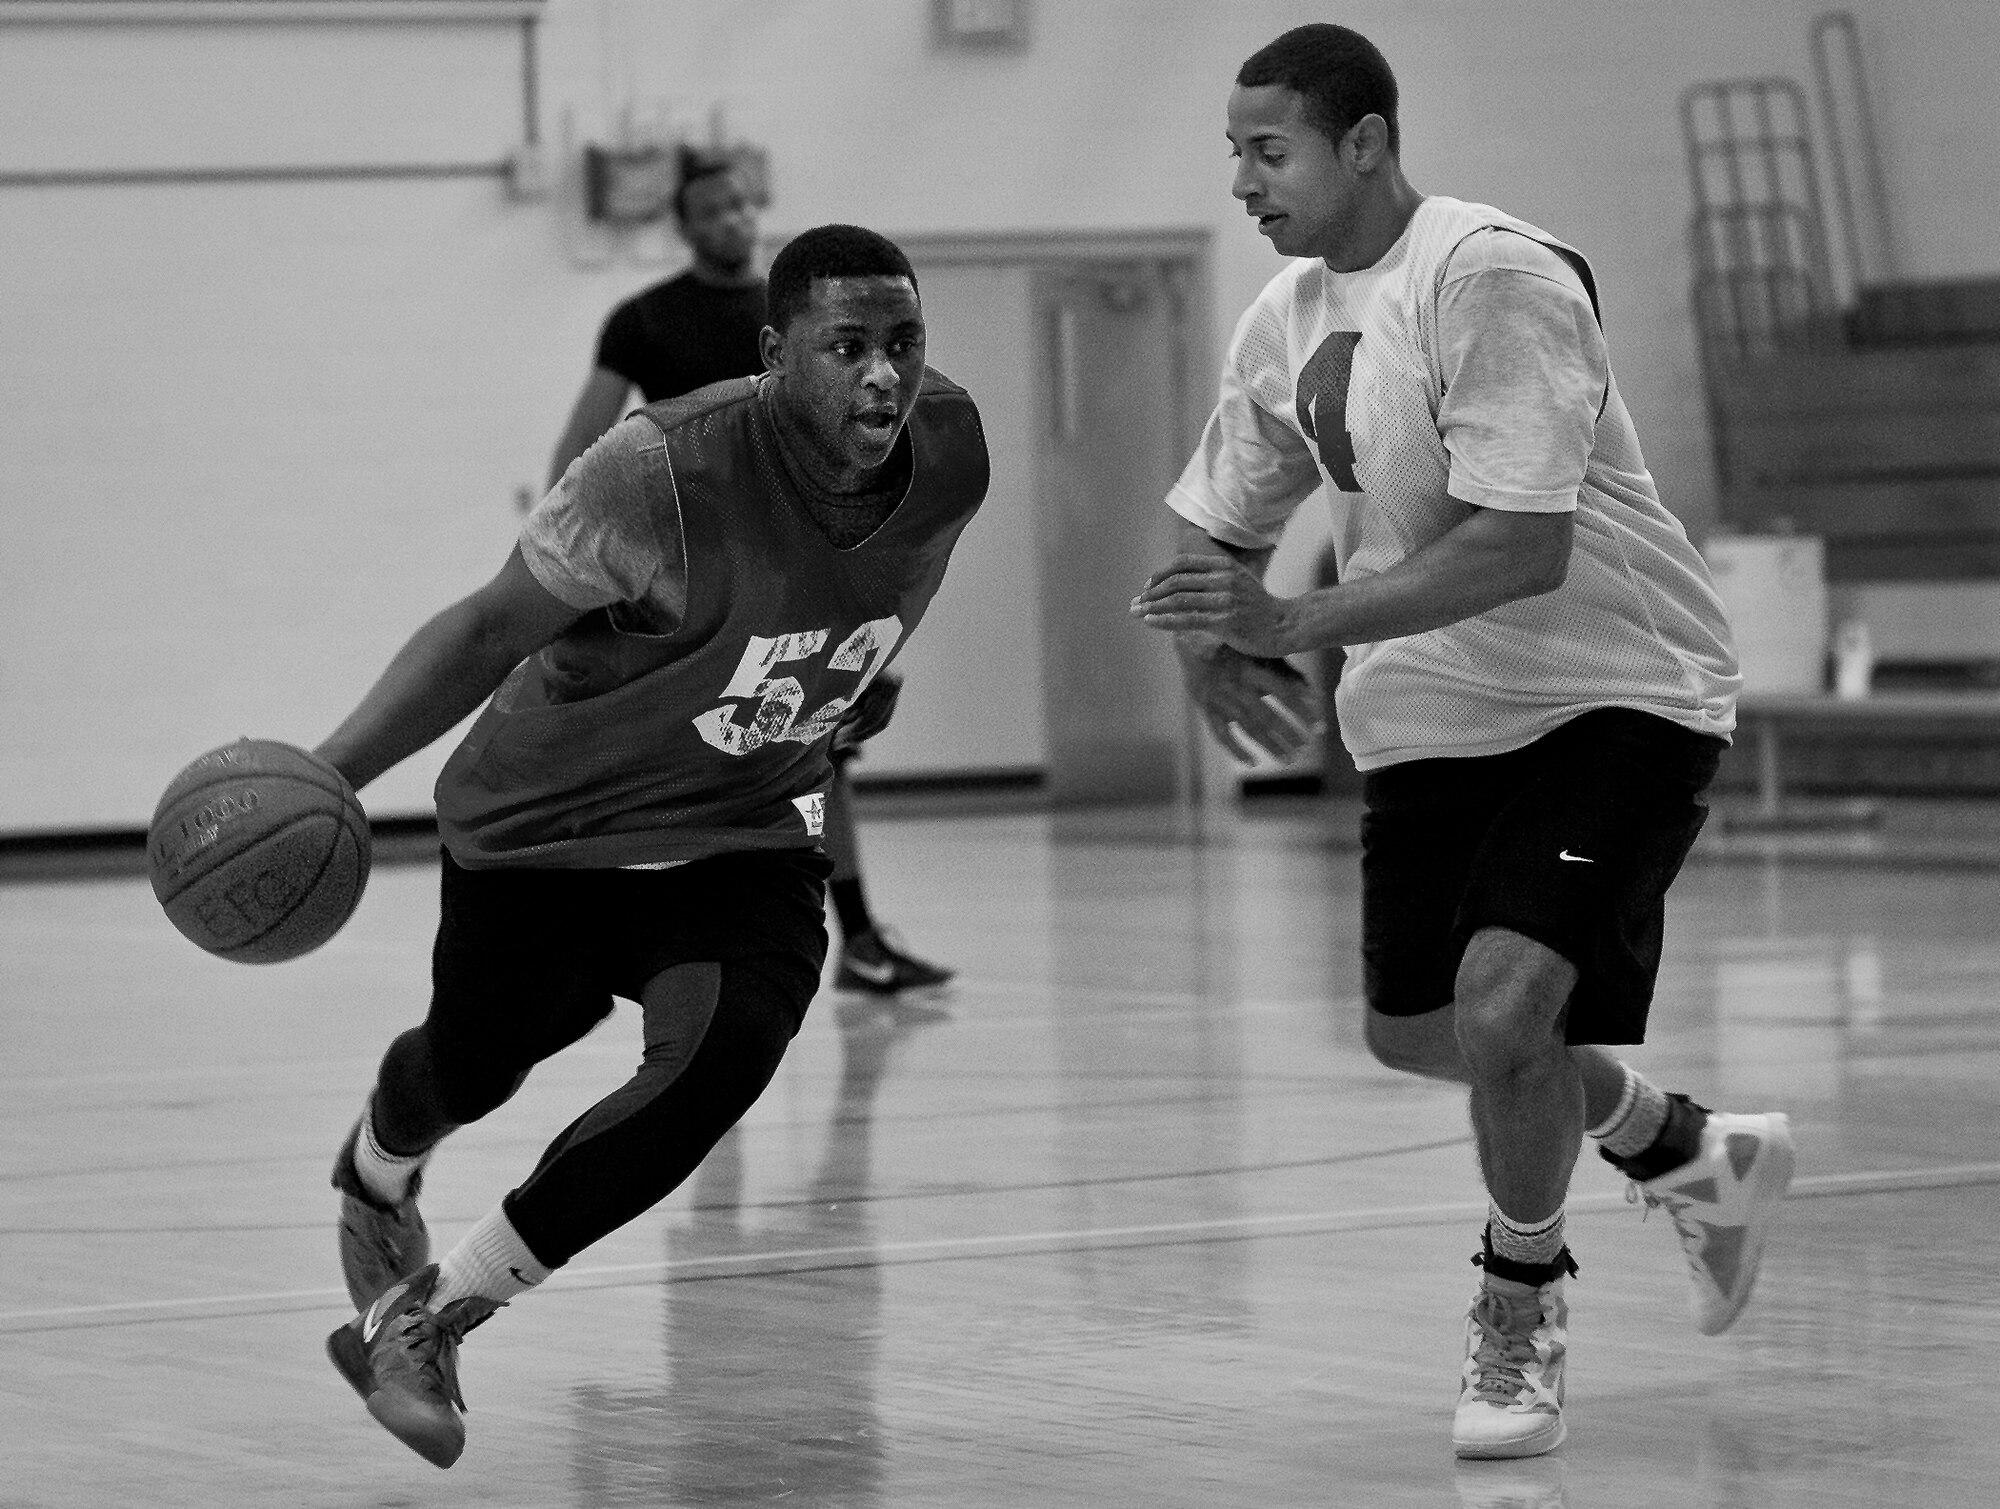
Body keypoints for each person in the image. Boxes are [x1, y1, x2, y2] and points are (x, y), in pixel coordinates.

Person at [1131, 24, 1793, 1462]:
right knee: (1418, 1030)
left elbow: (1524, 548)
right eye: (1233, 151)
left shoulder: (1488, 272)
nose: (1244, 179)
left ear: (1363, 143)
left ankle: (1520, 1315)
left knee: (1505, 1013)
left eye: (1269, 149)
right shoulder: (1290, 313)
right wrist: (1205, 640)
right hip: (1431, 713)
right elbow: (1211, 512)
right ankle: (1687, 1150)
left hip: (1614, 689)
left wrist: (1291, 621)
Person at [319, 224, 988, 1469]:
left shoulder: (950, 454)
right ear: (776, 352)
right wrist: (331, 776)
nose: (883, 377)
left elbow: (875, 589)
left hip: (739, 831)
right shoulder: (656, 471)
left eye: (901, 343)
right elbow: (480, 634)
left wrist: (851, 682)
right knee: (471, 1066)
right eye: (847, 347)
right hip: (545, 836)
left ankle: (431, 1316)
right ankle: (376, 1167)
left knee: (720, 1059)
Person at [548, 148, 954, 997]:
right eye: (714, 209)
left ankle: (859, 935)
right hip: (696, 585)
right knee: (709, 760)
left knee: (819, 757)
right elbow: (575, 459)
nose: (732, 219)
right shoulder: (643, 321)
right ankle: (660, 943)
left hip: (804, 568)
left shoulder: (808, 314)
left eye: (741, 204)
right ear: (684, 223)